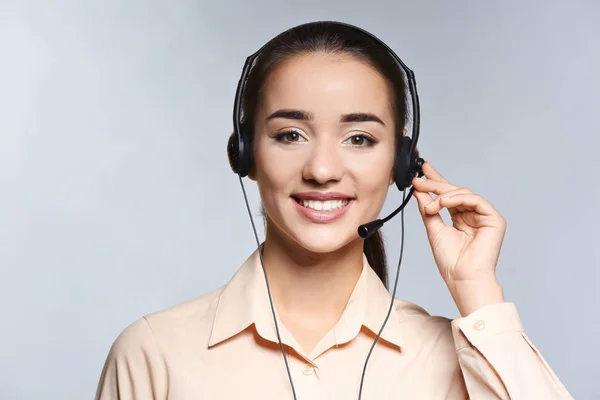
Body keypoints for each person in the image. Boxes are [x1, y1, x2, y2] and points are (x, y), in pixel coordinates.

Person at [94, 21, 573, 399]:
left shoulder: (459, 359)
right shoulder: (153, 353)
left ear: (401, 165)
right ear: (246, 155)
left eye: (359, 138)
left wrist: (478, 293)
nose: (322, 169)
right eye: (290, 135)